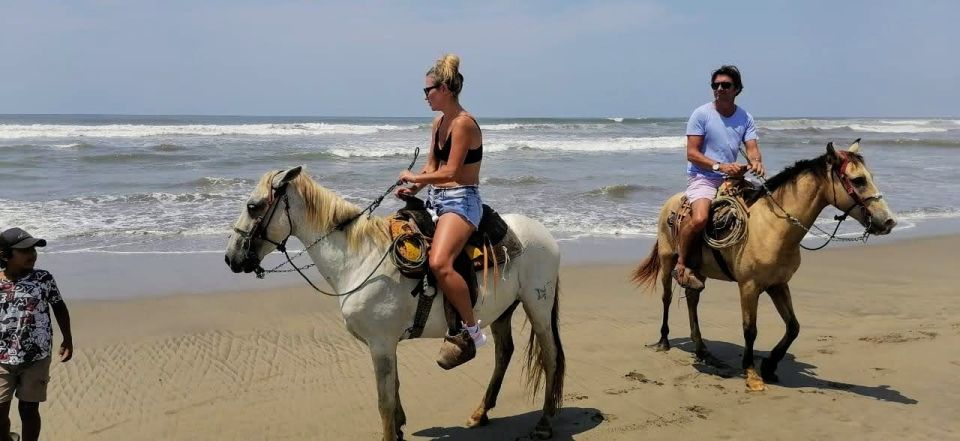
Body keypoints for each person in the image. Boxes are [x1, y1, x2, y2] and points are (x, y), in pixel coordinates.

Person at [397, 54, 487, 367]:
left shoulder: (463, 124)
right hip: (437, 197)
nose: (425, 96)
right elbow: (432, 165)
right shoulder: (438, 123)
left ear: (445, 89)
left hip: (463, 200)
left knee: (439, 263)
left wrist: (417, 178)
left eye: (428, 90)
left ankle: (472, 330)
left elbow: (450, 172)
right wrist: (416, 188)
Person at [675, 65, 766, 289]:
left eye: (726, 85)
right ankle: (681, 265)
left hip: (732, 178)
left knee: (766, 205)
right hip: (704, 176)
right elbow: (692, 153)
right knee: (699, 219)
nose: (720, 89)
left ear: (737, 89)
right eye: (716, 85)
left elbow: (752, 147)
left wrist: (756, 162)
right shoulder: (701, 114)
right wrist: (720, 166)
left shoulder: (745, 117)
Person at [0, 228, 73, 441]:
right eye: (24, 250)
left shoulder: (43, 278)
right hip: (2, 358)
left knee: (29, 410)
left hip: (36, 356)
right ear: (5, 255)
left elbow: (59, 307)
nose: (32, 254)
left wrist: (68, 339)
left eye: (33, 249)